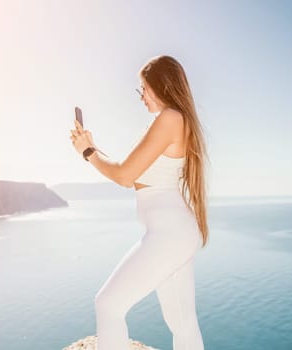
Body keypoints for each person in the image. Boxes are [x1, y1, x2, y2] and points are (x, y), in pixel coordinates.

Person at [69, 54, 209, 350]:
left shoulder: (170, 118)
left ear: (162, 86)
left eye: (144, 88)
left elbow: (124, 176)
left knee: (108, 304)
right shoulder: (177, 120)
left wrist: (88, 153)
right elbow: (132, 172)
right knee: (183, 324)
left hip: (170, 234)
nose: (141, 96)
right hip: (177, 232)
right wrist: (92, 148)